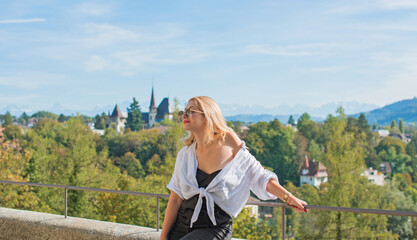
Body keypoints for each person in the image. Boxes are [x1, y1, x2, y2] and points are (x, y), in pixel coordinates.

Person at [160, 96, 308, 240]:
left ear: (208, 115)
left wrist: (289, 197)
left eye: (190, 111)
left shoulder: (228, 140)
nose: (184, 115)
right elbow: (175, 200)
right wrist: (164, 236)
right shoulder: (185, 155)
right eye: (183, 112)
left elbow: (259, 176)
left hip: (214, 228)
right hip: (182, 225)